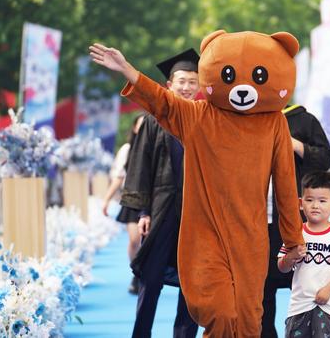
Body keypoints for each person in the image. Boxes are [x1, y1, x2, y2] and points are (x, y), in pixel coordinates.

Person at [89, 30, 305, 337]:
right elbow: (162, 103)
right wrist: (129, 72)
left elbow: (285, 184)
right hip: (205, 236)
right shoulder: (200, 115)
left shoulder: (274, 123)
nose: (243, 88)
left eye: (256, 76)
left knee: (247, 321)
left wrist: (293, 238)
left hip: (250, 239)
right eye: (230, 75)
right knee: (220, 313)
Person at [121, 49, 200, 338]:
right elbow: (141, 166)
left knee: (192, 281)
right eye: (182, 81)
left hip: (197, 214)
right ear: (169, 85)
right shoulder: (154, 120)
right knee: (151, 279)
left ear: (200, 86)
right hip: (162, 208)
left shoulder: (205, 119)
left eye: (193, 82)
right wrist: (143, 211)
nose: (187, 87)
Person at [262, 104, 330, 338]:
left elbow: (326, 157)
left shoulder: (302, 120)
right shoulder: (249, 118)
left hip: (297, 218)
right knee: (261, 288)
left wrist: (295, 144)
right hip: (260, 219)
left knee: (307, 281)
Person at [278, 171, 330, 338]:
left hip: (329, 308)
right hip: (299, 307)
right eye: (309, 200)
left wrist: (328, 289)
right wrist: (292, 256)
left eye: (322, 201)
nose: (315, 205)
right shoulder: (295, 232)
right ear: (300, 203)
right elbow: (282, 267)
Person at [101, 114, 144, 294]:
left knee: (147, 241)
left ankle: (146, 273)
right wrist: (106, 199)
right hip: (132, 198)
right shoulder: (127, 149)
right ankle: (137, 273)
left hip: (154, 199)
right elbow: (119, 177)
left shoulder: (157, 145)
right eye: (140, 126)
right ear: (134, 128)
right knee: (135, 240)